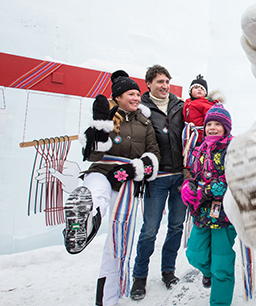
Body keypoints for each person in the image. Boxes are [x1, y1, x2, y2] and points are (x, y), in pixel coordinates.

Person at [63, 70, 160, 306]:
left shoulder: (145, 122)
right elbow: (91, 154)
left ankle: (107, 300)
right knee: (97, 194)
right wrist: (100, 128)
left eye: (138, 94)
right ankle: (85, 219)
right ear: (117, 97)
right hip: (101, 170)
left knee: (117, 240)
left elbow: (153, 154)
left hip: (126, 180)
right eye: (131, 94)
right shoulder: (105, 114)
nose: (136, 98)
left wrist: (135, 169)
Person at [130, 65, 187, 300]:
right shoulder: (141, 109)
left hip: (180, 177)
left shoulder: (180, 106)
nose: (164, 86)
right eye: (160, 82)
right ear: (149, 84)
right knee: (149, 230)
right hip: (157, 178)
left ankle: (168, 271)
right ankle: (139, 278)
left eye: (167, 81)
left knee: (176, 227)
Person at [180, 103, 236, 306]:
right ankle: (209, 273)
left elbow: (234, 178)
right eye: (209, 124)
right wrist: (188, 185)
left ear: (226, 127)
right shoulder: (198, 149)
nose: (212, 128)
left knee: (222, 264)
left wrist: (205, 191)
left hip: (224, 215)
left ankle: (219, 300)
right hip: (201, 213)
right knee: (194, 254)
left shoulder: (234, 147)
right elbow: (192, 174)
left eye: (217, 124)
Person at [182, 74, 225, 170]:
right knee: (188, 151)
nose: (199, 90)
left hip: (200, 135)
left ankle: (196, 168)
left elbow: (210, 117)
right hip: (189, 135)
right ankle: (189, 166)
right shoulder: (187, 102)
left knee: (198, 153)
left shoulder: (205, 104)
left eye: (202, 89)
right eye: (196, 88)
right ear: (190, 91)